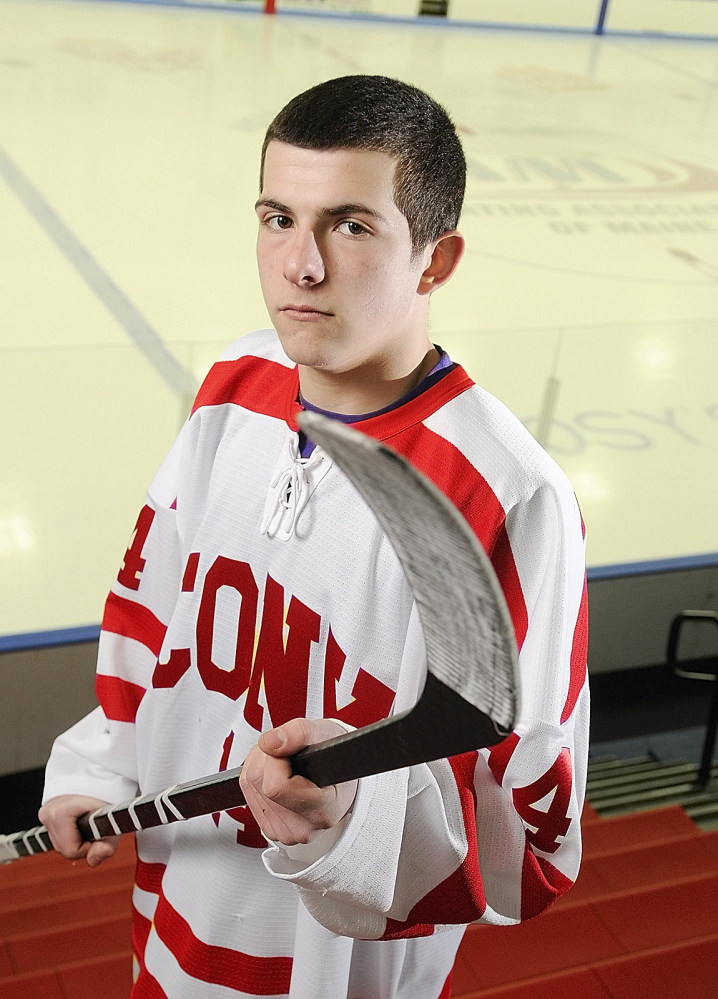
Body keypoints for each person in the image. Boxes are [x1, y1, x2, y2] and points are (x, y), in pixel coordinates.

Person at [39, 75, 589, 999]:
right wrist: (100, 763)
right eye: (277, 218)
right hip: (170, 912)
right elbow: (153, 615)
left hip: (334, 968)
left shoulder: (507, 496)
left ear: (436, 261)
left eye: (351, 226)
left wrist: (351, 805)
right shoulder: (235, 384)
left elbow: (530, 847)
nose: (299, 265)